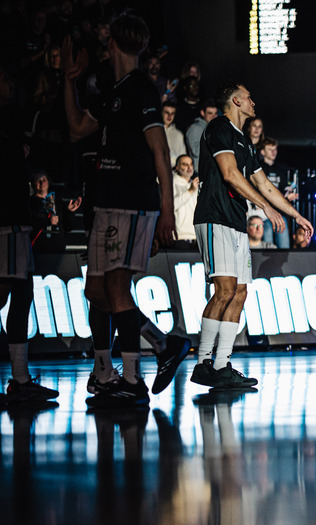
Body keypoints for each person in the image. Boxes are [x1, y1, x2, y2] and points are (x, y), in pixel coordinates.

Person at [63, 11, 191, 406]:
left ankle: (132, 381)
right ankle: (163, 343)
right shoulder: (112, 90)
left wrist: (167, 213)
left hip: (132, 204)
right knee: (95, 290)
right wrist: (68, 81)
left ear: (111, 45)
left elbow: (159, 150)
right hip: (107, 203)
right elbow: (77, 129)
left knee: (116, 288)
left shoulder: (141, 89)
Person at [190, 80, 313, 389]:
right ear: (236, 101)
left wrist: (295, 215)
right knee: (225, 290)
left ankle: (222, 364)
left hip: (235, 222)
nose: (253, 100)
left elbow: (265, 185)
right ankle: (203, 362)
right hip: (214, 216)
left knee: (240, 292)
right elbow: (230, 175)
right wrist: (263, 208)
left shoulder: (243, 140)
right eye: (248, 96)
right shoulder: (218, 127)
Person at [0, 66, 60, 406]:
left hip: (16, 218)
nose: (10, 82)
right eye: (4, 78)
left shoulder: (14, 119)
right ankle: (20, 379)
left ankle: (21, 379)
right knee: (8, 294)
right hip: (5, 219)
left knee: (23, 292)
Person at [171, 154, 198, 244]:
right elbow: (171, 206)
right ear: (177, 168)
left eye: (191, 164)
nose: (189, 167)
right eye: (185, 164)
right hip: (180, 237)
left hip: (196, 237)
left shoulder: (195, 185)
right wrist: (190, 191)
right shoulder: (172, 183)